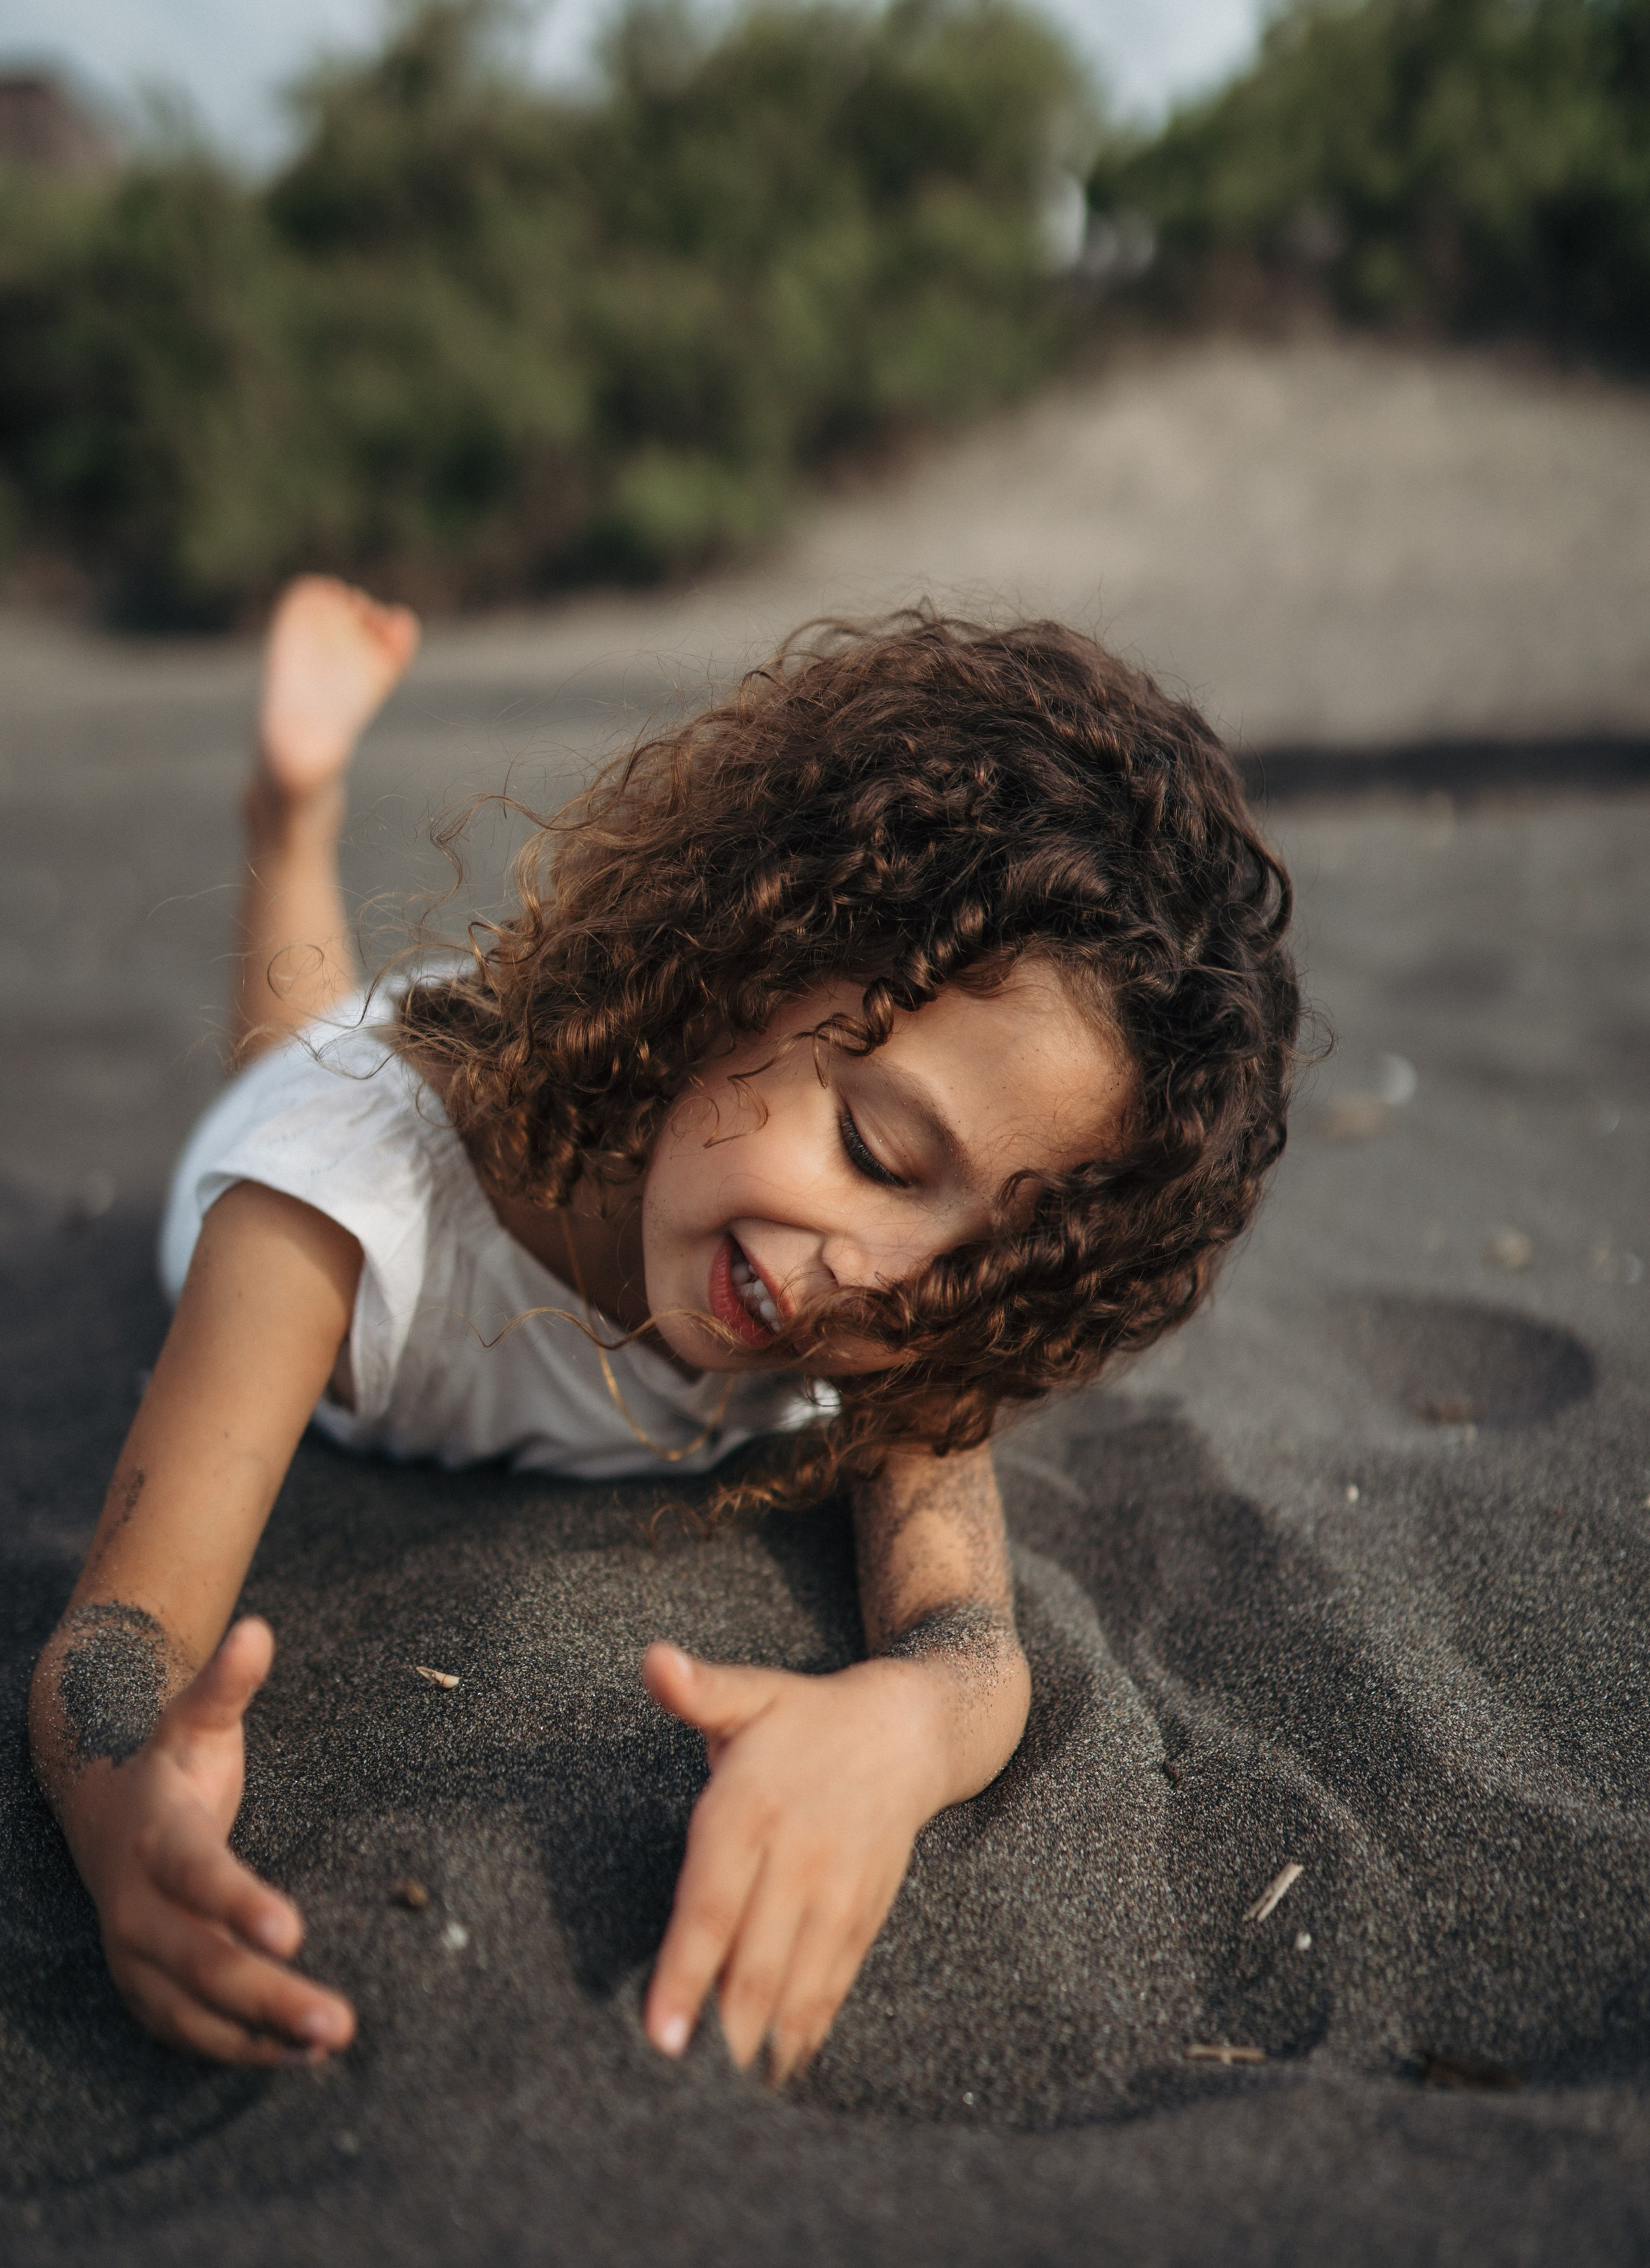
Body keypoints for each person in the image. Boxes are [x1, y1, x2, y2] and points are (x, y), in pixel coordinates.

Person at [27, 577, 1300, 2083]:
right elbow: (113, 1644)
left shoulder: (895, 1318)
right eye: (881, 1155)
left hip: (609, 1097)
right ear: (754, 967)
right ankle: (289, 812)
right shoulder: (326, 1209)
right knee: (303, 1040)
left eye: (973, 1276)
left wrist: (893, 1738)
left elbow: (966, 1636)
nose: (869, 1280)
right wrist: (131, 1817)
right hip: (369, 1108)